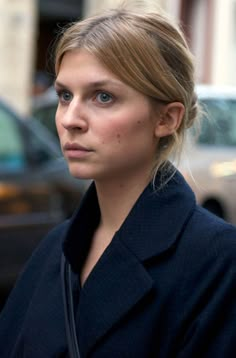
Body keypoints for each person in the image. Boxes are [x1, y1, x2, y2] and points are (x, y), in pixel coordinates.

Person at [1, 4, 236, 358]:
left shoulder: (218, 263)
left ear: (167, 119)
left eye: (103, 96)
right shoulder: (55, 250)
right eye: (65, 95)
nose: (70, 119)